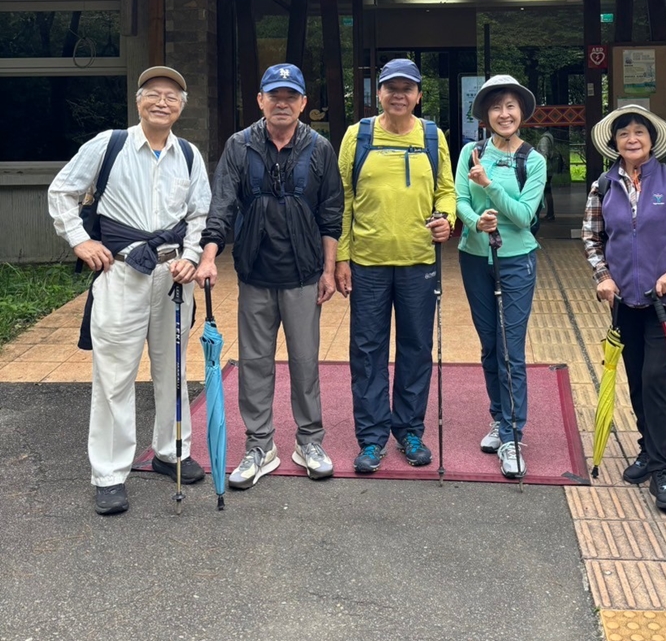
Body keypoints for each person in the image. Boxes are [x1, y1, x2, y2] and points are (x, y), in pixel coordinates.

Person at [48, 66, 211, 516]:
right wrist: (80, 240)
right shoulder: (109, 144)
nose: (162, 102)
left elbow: (199, 215)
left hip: (172, 276)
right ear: (139, 101)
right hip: (121, 272)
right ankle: (109, 474)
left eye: (172, 96)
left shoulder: (189, 155)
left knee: (173, 367)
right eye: (153, 94)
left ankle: (171, 452)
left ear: (181, 106)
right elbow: (62, 192)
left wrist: (191, 256)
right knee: (115, 375)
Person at [196, 63, 343, 489]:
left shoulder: (320, 148)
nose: (282, 103)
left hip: (304, 276)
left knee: (305, 363)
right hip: (255, 276)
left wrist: (329, 270)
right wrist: (208, 257)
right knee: (255, 364)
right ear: (260, 100)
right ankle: (260, 445)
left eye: (290, 96)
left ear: (303, 103)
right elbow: (222, 206)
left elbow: (331, 213)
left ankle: (309, 442)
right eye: (274, 96)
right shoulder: (239, 146)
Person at [582, 104, 666, 512]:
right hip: (623, 300)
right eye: (624, 133)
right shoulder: (604, 184)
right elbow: (592, 236)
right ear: (614, 142)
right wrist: (603, 276)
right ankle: (647, 448)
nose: (632, 138)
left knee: (655, 377)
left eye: (639, 131)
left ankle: (662, 470)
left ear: (652, 140)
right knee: (636, 378)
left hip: (665, 300)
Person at [334, 58, 455, 474]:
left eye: (407, 89)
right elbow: (343, 198)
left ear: (419, 95)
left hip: (418, 260)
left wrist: (446, 217)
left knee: (416, 348)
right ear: (379, 93)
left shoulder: (432, 135)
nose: (399, 95)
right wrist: (342, 256)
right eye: (391, 88)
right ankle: (371, 437)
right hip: (367, 262)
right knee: (367, 350)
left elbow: (446, 190)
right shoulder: (358, 135)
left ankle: (409, 430)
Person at [455, 75, 546, 478]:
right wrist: (477, 222)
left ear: (521, 112)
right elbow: (459, 199)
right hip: (475, 257)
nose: (504, 113)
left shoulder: (533, 160)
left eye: (511, 106)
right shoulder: (471, 152)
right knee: (490, 345)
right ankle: (498, 417)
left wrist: (490, 187)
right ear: (485, 114)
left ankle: (512, 435)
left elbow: (524, 216)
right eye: (496, 107)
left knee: (510, 348)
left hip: (516, 260)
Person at [537, 128, 557, 221]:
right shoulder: (549, 137)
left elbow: (543, 154)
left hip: (545, 169)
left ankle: (548, 213)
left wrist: (541, 170)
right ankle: (550, 213)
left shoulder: (544, 139)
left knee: (544, 191)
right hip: (549, 169)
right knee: (547, 191)